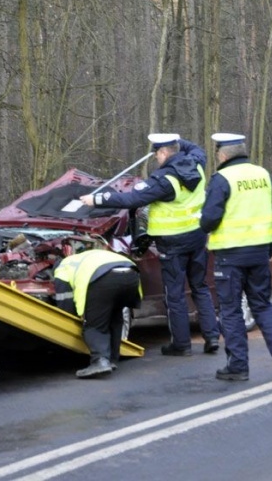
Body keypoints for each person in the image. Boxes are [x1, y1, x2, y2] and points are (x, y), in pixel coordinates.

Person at [80, 133, 220, 356]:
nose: (156, 159)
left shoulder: (163, 180)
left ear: (163, 153)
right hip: (197, 237)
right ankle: (212, 337)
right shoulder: (198, 163)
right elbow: (196, 148)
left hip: (172, 242)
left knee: (174, 294)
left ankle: (181, 345)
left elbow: (132, 200)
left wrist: (96, 199)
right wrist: (177, 140)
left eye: (157, 155)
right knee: (200, 287)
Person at [200, 132, 272, 381]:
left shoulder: (222, 179)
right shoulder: (263, 174)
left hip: (230, 256)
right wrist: (271, 249)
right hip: (259, 253)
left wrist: (203, 225)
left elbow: (209, 219)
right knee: (262, 305)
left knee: (231, 310)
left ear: (222, 154)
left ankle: (238, 366)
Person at [53, 249, 142, 378]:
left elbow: (65, 301)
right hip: (131, 274)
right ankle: (111, 359)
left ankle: (100, 361)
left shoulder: (62, 268)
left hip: (104, 278)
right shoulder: (82, 258)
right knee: (114, 318)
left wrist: (72, 321)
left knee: (95, 325)